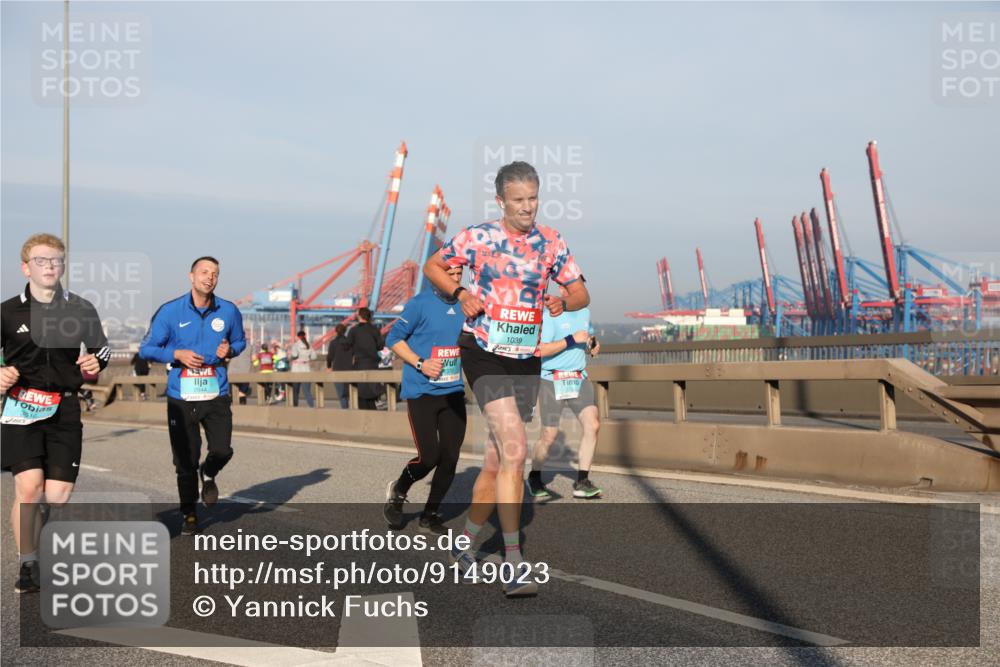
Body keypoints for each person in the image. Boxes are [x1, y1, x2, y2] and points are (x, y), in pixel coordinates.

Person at [423, 161, 589, 597]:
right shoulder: (478, 236)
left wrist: (562, 300)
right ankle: (514, 563)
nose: (527, 208)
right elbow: (432, 267)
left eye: (532, 198)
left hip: (525, 359)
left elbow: (581, 292)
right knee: (515, 445)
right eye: (518, 200)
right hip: (482, 352)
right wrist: (461, 293)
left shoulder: (552, 241)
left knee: (499, 461)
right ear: (501, 201)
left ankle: (465, 544)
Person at [1, 233, 111, 593]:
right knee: (29, 489)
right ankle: (28, 564)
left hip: (64, 405)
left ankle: (37, 524)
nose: (49, 267)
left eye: (56, 261)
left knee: (58, 495)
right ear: (25, 267)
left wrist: (95, 361)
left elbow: (102, 351)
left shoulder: (80, 307)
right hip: (21, 405)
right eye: (41, 261)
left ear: (63, 266)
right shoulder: (7, 311)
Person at [140, 257, 246, 535]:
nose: (209, 277)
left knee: (222, 449)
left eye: (215, 273)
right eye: (204, 272)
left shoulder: (229, 311)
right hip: (181, 396)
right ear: (191, 276)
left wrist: (230, 350)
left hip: (216, 391)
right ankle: (189, 513)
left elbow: (240, 341)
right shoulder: (170, 312)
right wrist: (175, 354)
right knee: (185, 460)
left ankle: (208, 473)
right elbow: (147, 349)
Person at [383, 264, 467, 534]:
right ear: (435, 275)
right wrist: (420, 363)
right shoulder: (419, 304)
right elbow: (393, 339)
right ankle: (399, 490)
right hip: (422, 392)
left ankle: (430, 515)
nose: (454, 279)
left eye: (458, 275)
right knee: (429, 457)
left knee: (450, 458)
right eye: (449, 274)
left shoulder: (467, 304)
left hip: (453, 392)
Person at [529, 282, 603, 499]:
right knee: (549, 435)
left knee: (594, 424)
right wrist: (571, 340)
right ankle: (534, 476)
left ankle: (582, 481)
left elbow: (586, 337)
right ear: (562, 291)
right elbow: (540, 350)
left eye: (582, 289)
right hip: (552, 379)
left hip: (578, 378)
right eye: (574, 289)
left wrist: (593, 345)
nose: (580, 293)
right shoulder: (549, 315)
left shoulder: (584, 312)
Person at [347, 308, 384, 410]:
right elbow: (380, 346)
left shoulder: (354, 330)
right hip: (373, 364)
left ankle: (364, 419)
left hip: (360, 364)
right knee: (372, 393)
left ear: (359, 316)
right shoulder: (375, 329)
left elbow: (347, 345)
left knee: (361, 395)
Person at [326, 323, 352, 409]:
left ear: (335, 331)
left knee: (341, 394)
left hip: (337, 369)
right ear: (345, 331)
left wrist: (329, 367)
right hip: (349, 369)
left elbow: (330, 356)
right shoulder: (350, 342)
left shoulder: (333, 343)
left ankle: (345, 411)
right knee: (349, 393)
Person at [290, 330, 316, 408]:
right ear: (305, 336)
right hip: (306, 369)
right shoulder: (309, 345)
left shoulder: (296, 345)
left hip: (296, 370)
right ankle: (311, 407)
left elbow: (294, 355)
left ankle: (295, 407)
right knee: (307, 391)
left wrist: (291, 357)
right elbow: (314, 357)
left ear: (297, 337)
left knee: (295, 391)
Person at [227, 332, 252, 405]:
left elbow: (227, 359)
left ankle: (234, 411)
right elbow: (253, 358)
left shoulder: (231, 345)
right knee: (242, 392)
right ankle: (243, 408)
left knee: (232, 392)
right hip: (245, 372)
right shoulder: (249, 346)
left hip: (232, 373)